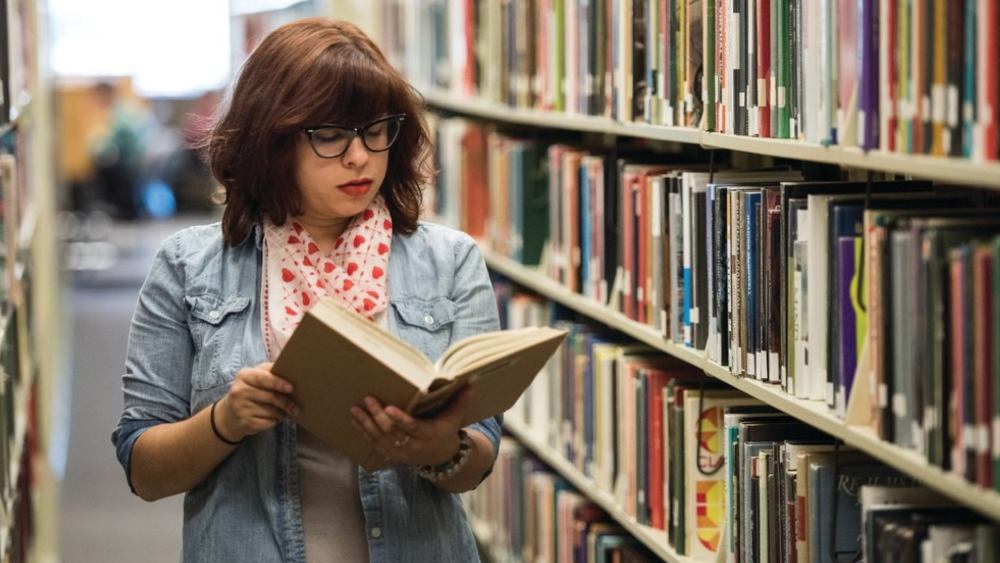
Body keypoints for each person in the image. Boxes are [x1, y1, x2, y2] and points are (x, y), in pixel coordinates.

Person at [112, 18, 502, 562]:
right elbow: (145, 471)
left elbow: (478, 459)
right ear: (270, 140)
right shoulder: (188, 267)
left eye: (375, 130)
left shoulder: (450, 261)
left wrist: (442, 448)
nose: (360, 156)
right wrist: (227, 421)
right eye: (330, 134)